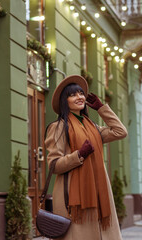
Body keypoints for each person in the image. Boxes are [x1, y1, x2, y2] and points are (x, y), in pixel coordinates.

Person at [45, 75, 127, 240]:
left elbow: (121, 132)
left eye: (81, 93)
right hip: (75, 200)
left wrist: (102, 109)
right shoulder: (58, 127)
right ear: (64, 100)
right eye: (73, 94)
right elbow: (54, 165)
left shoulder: (93, 128)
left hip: (98, 193)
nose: (79, 97)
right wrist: (79, 155)